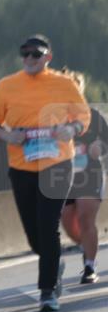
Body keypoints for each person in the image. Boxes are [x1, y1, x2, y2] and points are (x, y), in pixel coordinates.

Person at [0, 35, 90, 312]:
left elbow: (83, 116)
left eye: (36, 54)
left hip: (57, 163)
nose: (30, 58)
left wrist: (71, 130)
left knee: (48, 225)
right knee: (34, 235)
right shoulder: (7, 85)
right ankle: (54, 264)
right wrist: (7, 136)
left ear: (48, 57)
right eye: (25, 54)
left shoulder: (64, 84)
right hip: (22, 165)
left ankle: (47, 292)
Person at [59, 69, 106, 284]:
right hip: (63, 176)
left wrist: (100, 146)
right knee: (68, 222)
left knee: (86, 218)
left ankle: (90, 265)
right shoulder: (55, 117)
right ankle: (87, 247)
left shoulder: (93, 116)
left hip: (90, 174)